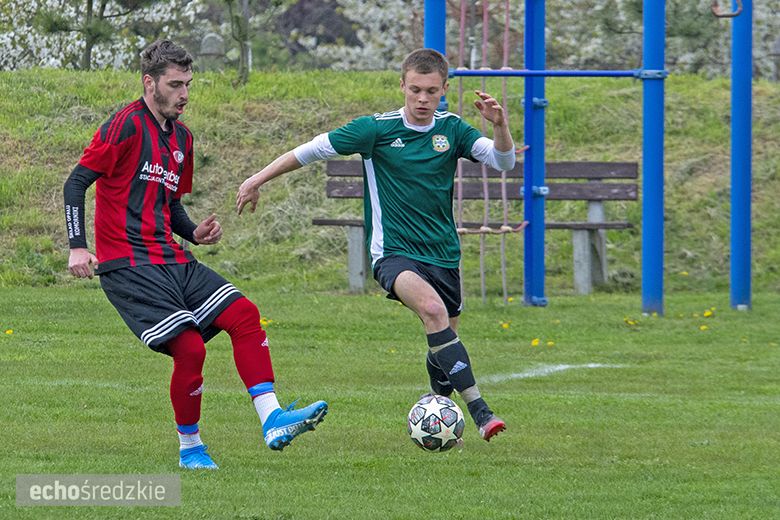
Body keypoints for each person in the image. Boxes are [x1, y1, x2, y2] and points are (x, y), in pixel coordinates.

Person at [63, 39, 327, 470]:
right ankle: (191, 449)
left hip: (172, 258)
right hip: (128, 264)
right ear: (150, 84)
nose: (184, 93)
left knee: (244, 314)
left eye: (188, 83)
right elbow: (76, 183)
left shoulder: (182, 138)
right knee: (190, 349)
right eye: (175, 84)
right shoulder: (124, 126)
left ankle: (273, 419)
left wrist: (195, 233)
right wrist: (77, 246)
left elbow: (171, 205)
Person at [236, 48, 514, 442]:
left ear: (444, 90)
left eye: (431, 92)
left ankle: (437, 412)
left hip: (444, 254)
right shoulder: (377, 130)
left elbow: (503, 162)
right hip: (393, 254)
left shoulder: (453, 130)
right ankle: (482, 413)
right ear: (401, 86)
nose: (421, 99)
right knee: (433, 312)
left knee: (443, 342)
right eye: (414, 89)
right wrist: (256, 179)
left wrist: (499, 126)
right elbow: (311, 149)